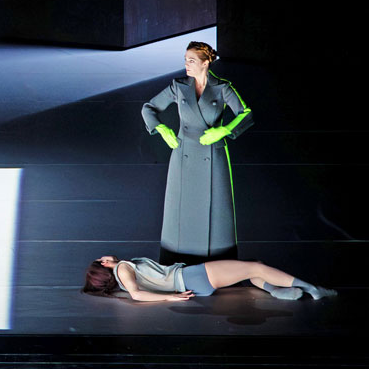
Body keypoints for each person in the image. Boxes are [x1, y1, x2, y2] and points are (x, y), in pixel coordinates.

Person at [142, 42, 253, 263]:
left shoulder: (222, 88)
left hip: (213, 152)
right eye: (185, 60)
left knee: (216, 207)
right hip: (183, 152)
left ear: (205, 63)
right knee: (180, 206)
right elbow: (149, 107)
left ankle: (218, 258)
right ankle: (175, 256)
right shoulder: (179, 86)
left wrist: (225, 129)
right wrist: (161, 128)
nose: (186, 65)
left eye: (191, 60)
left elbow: (246, 113)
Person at [83, 255, 336, 301]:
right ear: (104, 264)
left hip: (192, 281)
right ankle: (312, 288)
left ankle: (275, 290)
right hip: (192, 276)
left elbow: (135, 292)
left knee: (253, 267)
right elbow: (137, 295)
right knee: (254, 268)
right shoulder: (122, 269)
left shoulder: (123, 279)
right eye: (103, 257)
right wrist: (170, 298)